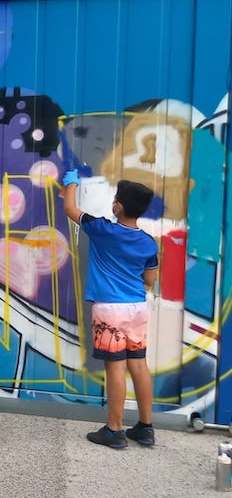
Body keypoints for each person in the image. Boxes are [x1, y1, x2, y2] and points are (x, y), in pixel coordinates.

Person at [61, 171, 159, 448]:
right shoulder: (148, 242)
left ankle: (115, 431)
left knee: (115, 368)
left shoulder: (103, 229)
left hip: (110, 311)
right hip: (137, 308)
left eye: (116, 199)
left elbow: (70, 208)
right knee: (138, 364)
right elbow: (150, 280)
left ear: (119, 207)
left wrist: (71, 182)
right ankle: (145, 428)